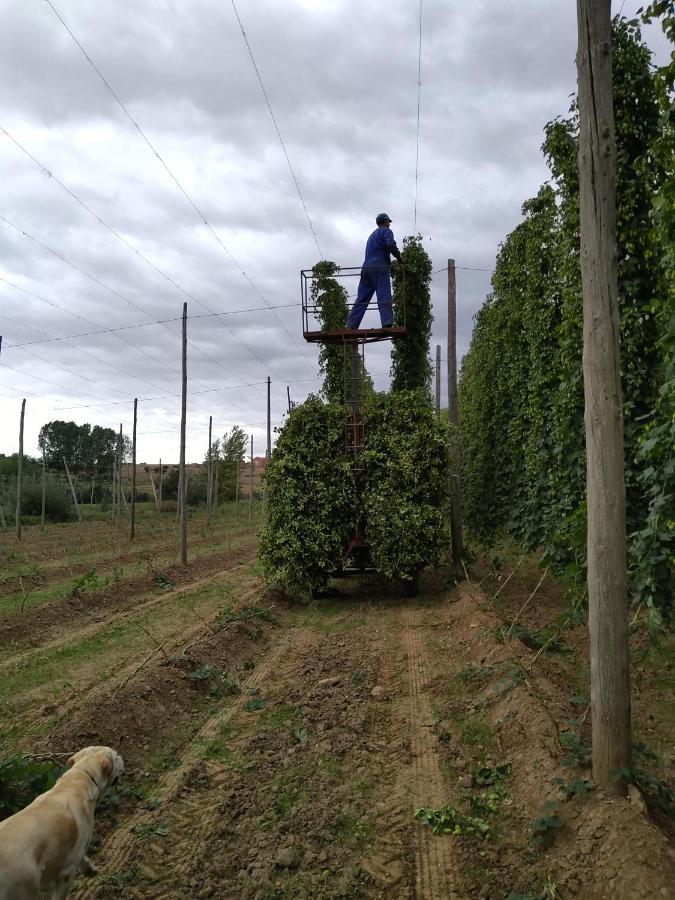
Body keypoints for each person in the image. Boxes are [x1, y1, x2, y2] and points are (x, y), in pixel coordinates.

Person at [346, 213, 402, 329]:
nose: (389, 224)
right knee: (383, 293)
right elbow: (390, 244)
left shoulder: (371, 235)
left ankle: (352, 325)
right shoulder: (386, 231)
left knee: (362, 297)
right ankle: (387, 322)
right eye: (389, 222)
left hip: (366, 268)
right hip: (379, 266)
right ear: (386, 222)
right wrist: (399, 258)